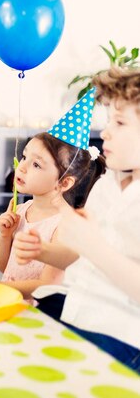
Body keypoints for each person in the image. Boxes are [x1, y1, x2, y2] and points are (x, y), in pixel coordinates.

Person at [13, 67, 140, 371]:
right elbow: (81, 256)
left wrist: (95, 247)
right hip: (76, 310)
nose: (106, 131)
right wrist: (44, 252)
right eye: (109, 119)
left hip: (122, 335)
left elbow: (97, 252)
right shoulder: (108, 184)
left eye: (120, 122)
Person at [0, 130, 105, 301]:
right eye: (24, 157)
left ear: (64, 182)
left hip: (34, 313)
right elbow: (4, 268)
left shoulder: (64, 226)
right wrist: (5, 236)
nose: (21, 167)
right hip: (6, 299)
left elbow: (45, 286)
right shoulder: (21, 209)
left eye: (36, 164)